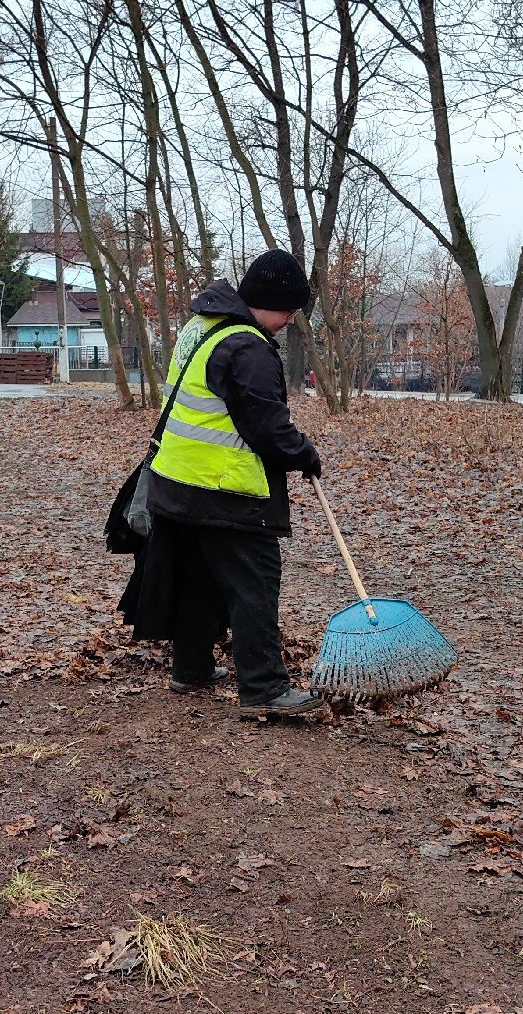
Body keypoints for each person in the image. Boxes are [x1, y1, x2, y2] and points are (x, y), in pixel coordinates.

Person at [124, 250, 326, 719]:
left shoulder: (202, 326)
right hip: (227, 489)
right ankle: (264, 688)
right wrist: (305, 454)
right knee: (254, 585)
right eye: (288, 308)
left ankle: (191, 668)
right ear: (266, 300)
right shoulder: (247, 347)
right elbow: (267, 426)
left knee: (199, 580)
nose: (292, 318)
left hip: (176, 482)